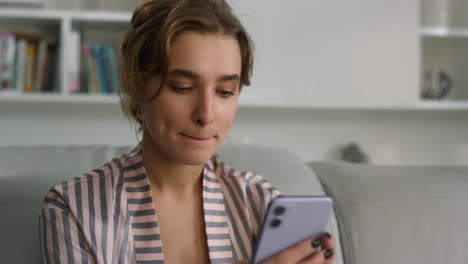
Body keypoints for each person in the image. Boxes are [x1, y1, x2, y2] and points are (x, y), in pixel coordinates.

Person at [39, 0, 336, 263]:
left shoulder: (262, 203)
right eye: (183, 87)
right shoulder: (75, 208)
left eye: (224, 91)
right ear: (137, 84)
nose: (206, 115)